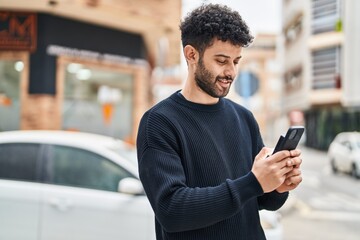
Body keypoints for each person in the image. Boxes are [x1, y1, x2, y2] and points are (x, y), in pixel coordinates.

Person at [136, 3, 302, 240]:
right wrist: (253, 183)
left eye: (236, 61)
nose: (231, 72)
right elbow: (171, 210)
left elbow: (257, 200)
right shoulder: (160, 122)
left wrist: (277, 186)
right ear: (191, 54)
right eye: (222, 61)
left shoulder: (244, 118)